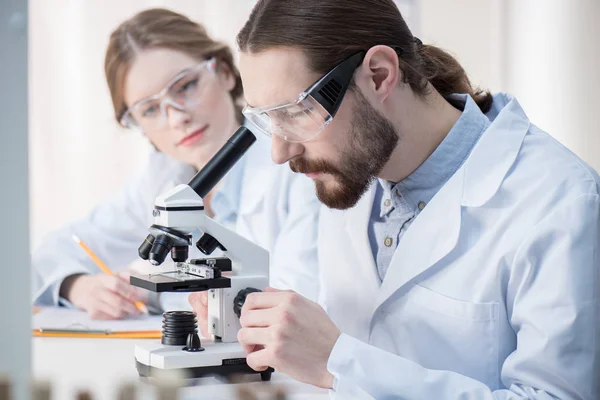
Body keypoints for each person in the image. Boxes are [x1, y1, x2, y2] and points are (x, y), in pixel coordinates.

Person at [222, 0, 600, 398]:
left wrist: (339, 363)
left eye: (297, 113)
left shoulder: (560, 201)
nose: (281, 153)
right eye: (267, 120)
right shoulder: (349, 174)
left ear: (380, 75)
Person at [32, 8, 320, 326]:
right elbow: (54, 250)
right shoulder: (164, 176)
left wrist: (157, 295)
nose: (176, 117)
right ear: (136, 123)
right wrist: (78, 286)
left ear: (224, 72)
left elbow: (297, 299)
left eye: (185, 87)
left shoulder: (296, 163)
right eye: (151, 109)